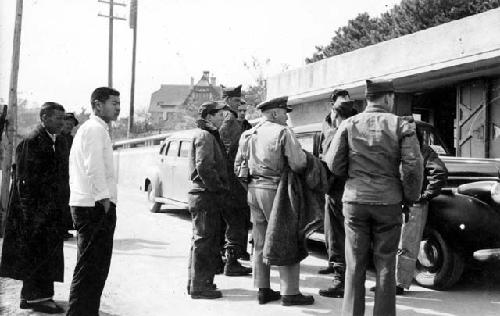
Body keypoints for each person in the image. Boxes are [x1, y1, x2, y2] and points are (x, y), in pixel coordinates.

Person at [324, 79, 423, 316]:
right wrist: (409, 197)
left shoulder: (349, 124)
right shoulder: (401, 125)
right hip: (388, 202)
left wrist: (354, 176)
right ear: (389, 98)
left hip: (355, 201)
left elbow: (333, 163)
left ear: (367, 99)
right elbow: (412, 166)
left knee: (355, 263)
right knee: (386, 263)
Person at [236, 96, 314, 306]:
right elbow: (298, 164)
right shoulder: (283, 132)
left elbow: (238, 168)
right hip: (276, 191)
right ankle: (290, 293)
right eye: (285, 112)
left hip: (253, 190)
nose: (287, 117)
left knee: (260, 241)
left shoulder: (248, 133)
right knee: (287, 237)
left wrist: (252, 186)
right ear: (275, 113)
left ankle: (263, 289)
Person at [0, 102, 67, 314]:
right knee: (36, 254)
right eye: (58, 118)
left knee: (44, 254)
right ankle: (36, 298)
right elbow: (24, 184)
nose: (62, 122)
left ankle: (34, 296)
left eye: (63, 118)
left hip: (47, 212)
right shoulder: (33, 142)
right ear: (44, 117)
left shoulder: (52, 140)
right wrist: (32, 218)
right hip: (35, 213)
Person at [66, 87, 120, 316]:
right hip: (94, 206)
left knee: (94, 268)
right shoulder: (94, 129)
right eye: (113, 103)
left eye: (119, 103)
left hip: (91, 204)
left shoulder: (97, 129)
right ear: (98, 105)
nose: (117, 108)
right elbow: (94, 166)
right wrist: (103, 199)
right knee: (90, 268)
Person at [395, 125, 448, 294]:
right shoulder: (420, 150)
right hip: (402, 202)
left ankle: (399, 284)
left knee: (406, 244)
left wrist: (425, 195)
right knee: (398, 243)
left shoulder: (422, 151)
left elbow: (439, 173)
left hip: (410, 203)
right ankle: (393, 282)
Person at [187, 101, 229, 299]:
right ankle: (199, 286)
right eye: (220, 115)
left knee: (203, 240)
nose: (223, 118)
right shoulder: (205, 135)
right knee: (203, 241)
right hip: (205, 195)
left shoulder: (207, 134)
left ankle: (199, 282)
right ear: (209, 116)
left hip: (205, 195)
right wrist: (218, 187)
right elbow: (203, 166)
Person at [318, 90, 357, 299]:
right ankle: (338, 269)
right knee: (336, 232)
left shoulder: (344, 126)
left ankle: (341, 278)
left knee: (339, 233)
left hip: (339, 186)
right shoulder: (328, 124)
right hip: (340, 185)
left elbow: (334, 160)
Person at [218, 85, 252, 276]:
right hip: (233, 180)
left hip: (229, 179)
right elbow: (231, 153)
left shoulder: (228, 120)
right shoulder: (230, 122)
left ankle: (226, 259)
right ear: (229, 101)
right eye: (237, 101)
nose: (240, 104)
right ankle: (231, 263)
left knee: (233, 221)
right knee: (236, 221)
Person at [61, 112, 79, 239]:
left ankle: (64, 229)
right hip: (59, 174)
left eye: (72, 125)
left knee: (67, 201)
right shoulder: (57, 137)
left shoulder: (72, 139)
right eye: (67, 124)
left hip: (68, 174)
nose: (69, 127)